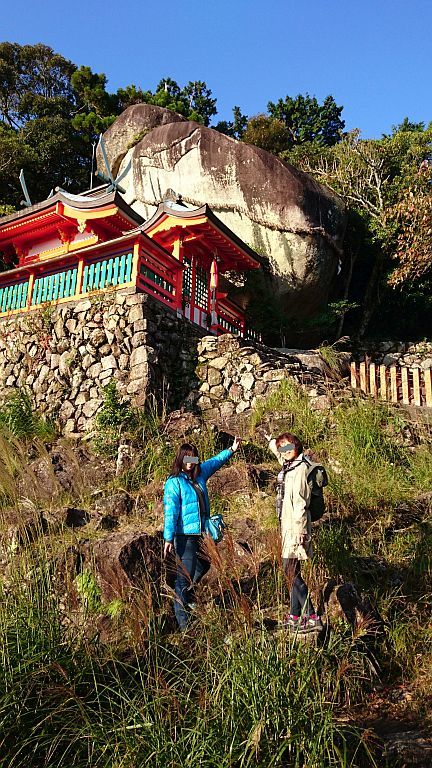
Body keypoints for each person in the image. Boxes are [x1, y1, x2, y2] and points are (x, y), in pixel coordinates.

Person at [163, 437, 241, 630]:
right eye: (187, 458)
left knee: (205, 564)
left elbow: (215, 462)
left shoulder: (199, 475)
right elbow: (170, 511)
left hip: (200, 534)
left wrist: (231, 449)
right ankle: (184, 624)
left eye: (193, 458)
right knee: (184, 577)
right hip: (184, 536)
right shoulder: (174, 482)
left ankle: (187, 596)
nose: (190, 462)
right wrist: (168, 537)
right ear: (180, 459)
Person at [266, 431, 322, 632]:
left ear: (296, 445)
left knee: (289, 570)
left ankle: (312, 615)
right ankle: (294, 615)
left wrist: (300, 530)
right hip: (288, 525)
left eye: (288, 446)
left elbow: (300, 502)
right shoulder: (290, 464)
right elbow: (279, 453)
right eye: (282, 447)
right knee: (293, 570)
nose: (285, 450)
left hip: (296, 527)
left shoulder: (300, 469)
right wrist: (272, 442)